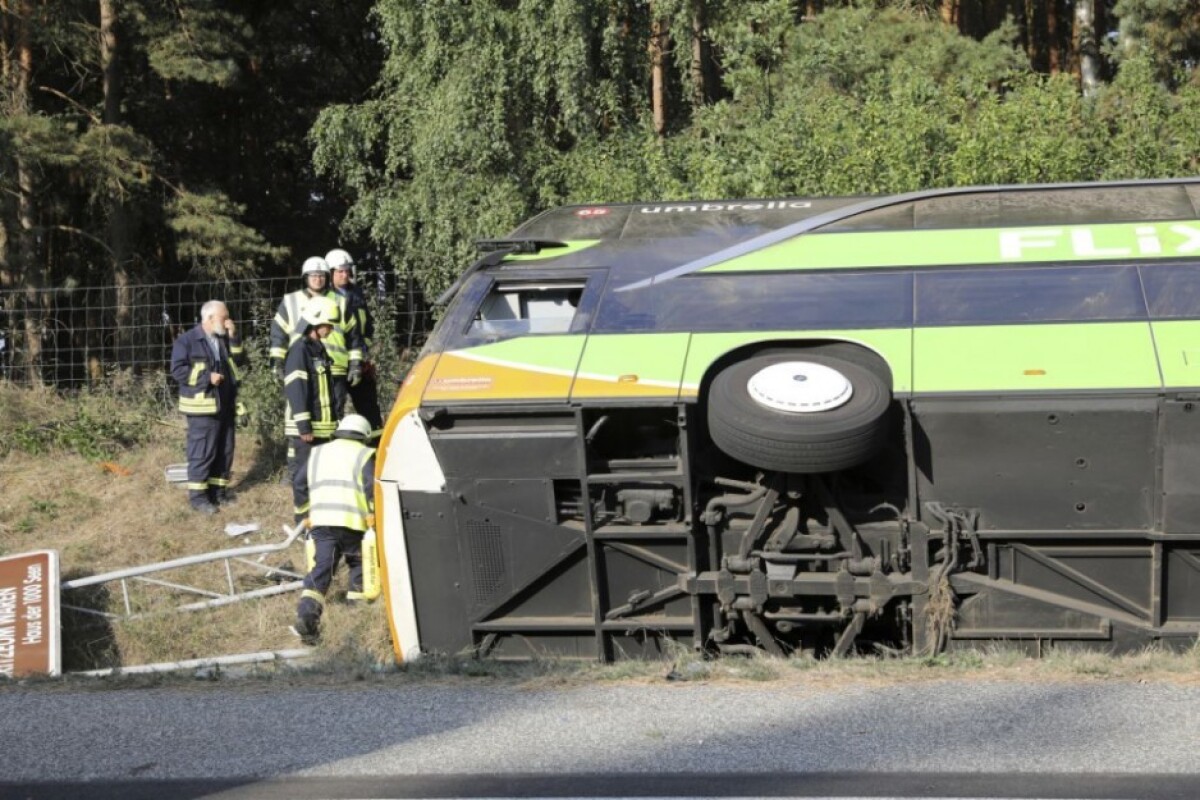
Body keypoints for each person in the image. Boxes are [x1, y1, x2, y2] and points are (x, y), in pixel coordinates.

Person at [291, 413, 376, 645]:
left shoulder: (317, 452)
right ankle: (356, 616)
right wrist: (374, 515)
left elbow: (299, 483)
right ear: (364, 435)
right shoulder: (364, 454)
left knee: (322, 568)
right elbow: (371, 488)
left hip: (321, 522)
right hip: (353, 523)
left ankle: (307, 616)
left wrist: (304, 514)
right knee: (358, 563)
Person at [169, 300, 248, 514]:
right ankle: (198, 498)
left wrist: (234, 336)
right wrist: (207, 377)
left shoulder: (223, 339)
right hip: (202, 408)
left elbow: (240, 361)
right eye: (224, 317)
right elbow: (177, 371)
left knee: (225, 451)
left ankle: (218, 493)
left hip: (225, 405)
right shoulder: (187, 340)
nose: (228, 320)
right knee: (202, 452)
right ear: (210, 318)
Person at [269, 255, 362, 419]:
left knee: (335, 414)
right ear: (306, 277)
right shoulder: (291, 301)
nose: (318, 280)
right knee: (302, 410)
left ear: (327, 277)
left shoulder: (341, 302)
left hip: (335, 368)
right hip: (302, 367)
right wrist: (277, 363)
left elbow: (354, 336)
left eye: (321, 276)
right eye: (313, 275)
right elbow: (278, 336)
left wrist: (355, 364)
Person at [284, 295, 342, 525]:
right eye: (329, 324)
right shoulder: (300, 350)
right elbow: (297, 389)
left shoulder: (318, 350)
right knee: (304, 477)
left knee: (319, 475)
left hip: (322, 427)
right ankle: (303, 521)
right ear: (316, 323)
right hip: (308, 429)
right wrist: (304, 425)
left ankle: (319, 518)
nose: (331, 329)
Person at [325, 248, 382, 439]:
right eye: (340, 271)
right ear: (330, 273)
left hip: (359, 360)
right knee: (335, 408)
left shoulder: (356, 293)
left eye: (347, 270)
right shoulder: (323, 297)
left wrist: (365, 354)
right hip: (336, 365)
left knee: (369, 408)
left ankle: (375, 445)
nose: (345, 275)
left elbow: (366, 327)